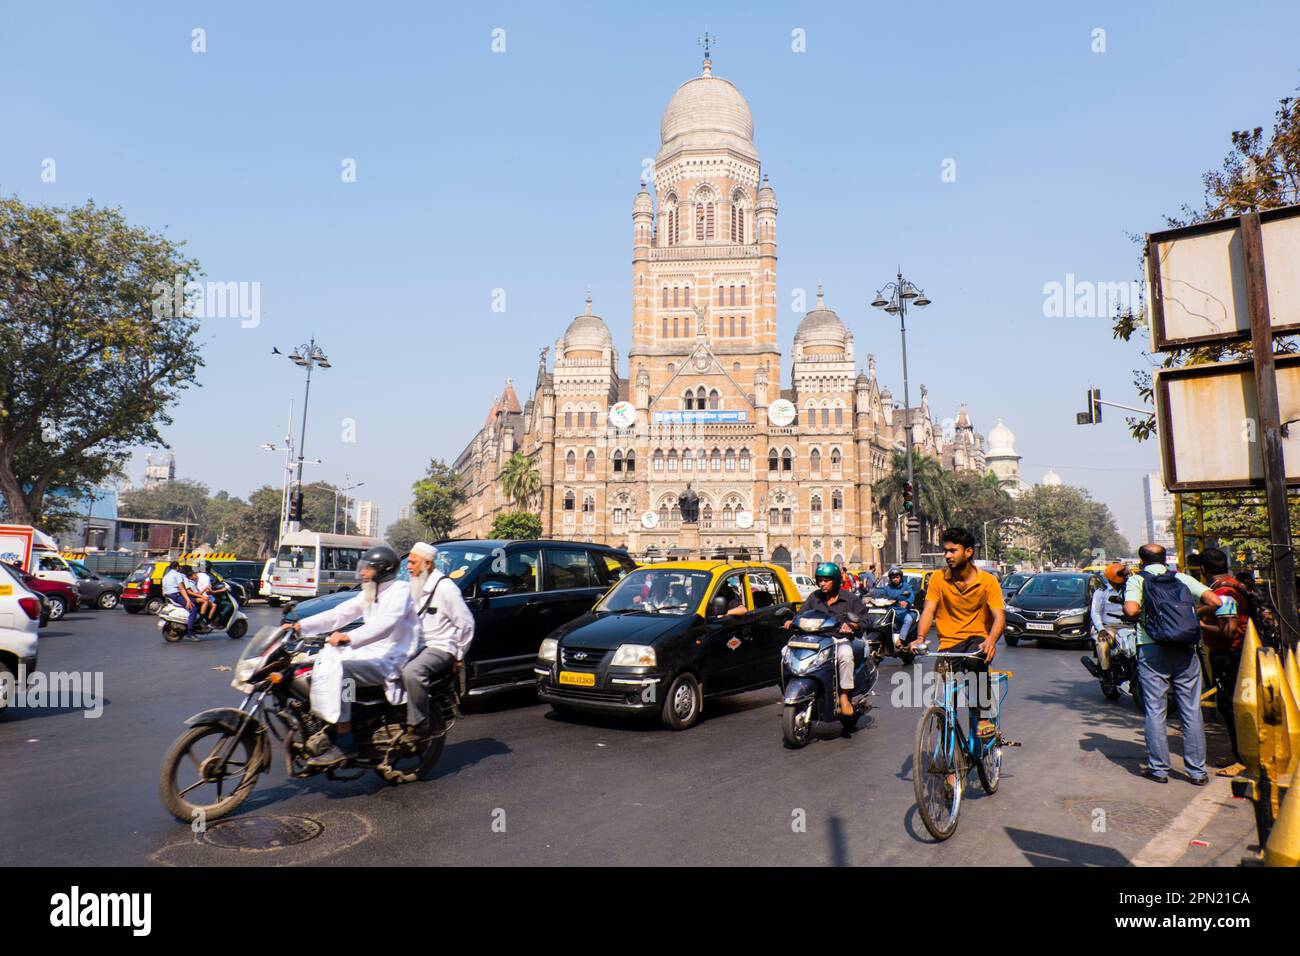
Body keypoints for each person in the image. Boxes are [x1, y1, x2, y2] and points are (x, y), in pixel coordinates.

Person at [290, 546, 419, 768]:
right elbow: (340, 613)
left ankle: (344, 740)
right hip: (368, 651)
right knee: (317, 662)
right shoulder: (370, 591)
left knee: (342, 672)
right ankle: (327, 721)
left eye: (368, 569)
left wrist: (348, 638)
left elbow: (386, 624)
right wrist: (300, 626)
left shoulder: (400, 591)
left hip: (390, 656)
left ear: (383, 570)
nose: (363, 573)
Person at [1123, 543, 1222, 785]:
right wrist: (1193, 616)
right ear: (1165, 559)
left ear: (1141, 561)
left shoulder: (1138, 581)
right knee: (1190, 709)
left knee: (1156, 710)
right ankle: (1197, 772)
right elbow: (1215, 602)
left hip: (1152, 647)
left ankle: (1158, 769)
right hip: (1185, 649)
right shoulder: (1182, 578)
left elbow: (1131, 609)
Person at [907, 527, 1005, 741]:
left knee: (975, 662)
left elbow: (999, 616)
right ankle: (949, 763)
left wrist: (990, 641)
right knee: (942, 701)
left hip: (977, 638)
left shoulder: (988, 581)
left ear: (968, 552)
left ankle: (983, 718)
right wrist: (920, 638)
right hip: (948, 644)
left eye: (953, 551)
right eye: (946, 551)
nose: (947, 556)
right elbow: (928, 611)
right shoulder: (938, 579)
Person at [400, 542, 475, 746]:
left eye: (412, 563)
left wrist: (459, 655)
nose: (408, 567)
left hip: (441, 646)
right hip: (418, 645)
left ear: (427, 564)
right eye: (408, 563)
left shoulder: (445, 588)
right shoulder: (416, 585)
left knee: (413, 672)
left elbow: (466, 624)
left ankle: (420, 724)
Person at [785, 562, 867, 716]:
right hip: (814, 640)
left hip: (838, 640)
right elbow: (801, 615)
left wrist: (851, 626)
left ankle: (844, 695)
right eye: (820, 580)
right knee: (785, 652)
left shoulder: (849, 599)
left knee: (846, 656)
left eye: (826, 580)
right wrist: (791, 622)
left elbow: (863, 619)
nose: (822, 583)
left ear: (835, 580)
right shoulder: (814, 597)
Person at [1198, 548, 1251, 776]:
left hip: (1229, 655)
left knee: (1230, 706)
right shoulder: (1233, 585)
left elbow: (1228, 630)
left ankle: (1243, 758)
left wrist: (1199, 625)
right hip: (1237, 653)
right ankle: (1239, 753)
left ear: (1202, 569)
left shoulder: (1224, 592)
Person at [1083, 562, 1132, 688]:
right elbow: (1095, 612)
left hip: (1130, 626)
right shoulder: (1101, 592)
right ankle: (1105, 673)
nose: (1125, 578)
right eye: (1123, 576)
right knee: (1103, 643)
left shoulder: (1130, 589)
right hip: (1110, 628)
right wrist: (1101, 629)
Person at [871, 567, 917, 647]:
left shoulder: (906, 587)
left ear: (901, 577)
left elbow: (911, 596)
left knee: (908, 620)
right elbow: (879, 592)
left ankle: (901, 639)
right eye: (893, 578)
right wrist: (869, 597)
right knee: (880, 622)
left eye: (897, 577)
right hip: (889, 610)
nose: (895, 579)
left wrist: (907, 602)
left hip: (901, 611)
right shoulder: (888, 587)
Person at [161, 561, 198, 639]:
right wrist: (188, 600)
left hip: (168, 595)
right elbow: (181, 588)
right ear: (177, 567)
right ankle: (189, 632)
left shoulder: (166, 575)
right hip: (175, 596)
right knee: (193, 609)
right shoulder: (177, 575)